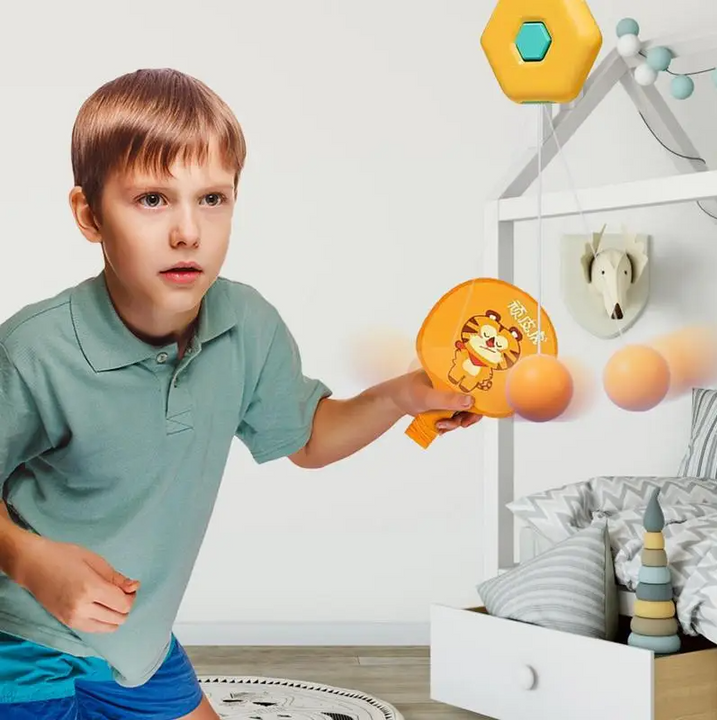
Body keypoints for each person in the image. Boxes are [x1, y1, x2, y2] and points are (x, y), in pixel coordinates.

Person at [0, 67, 480, 719]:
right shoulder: (34, 350)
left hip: (132, 639)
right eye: (151, 200)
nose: (187, 232)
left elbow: (307, 437)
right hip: (18, 638)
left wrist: (402, 396)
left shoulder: (245, 324)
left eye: (212, 199)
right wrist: (30, 562)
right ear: (90, 214)